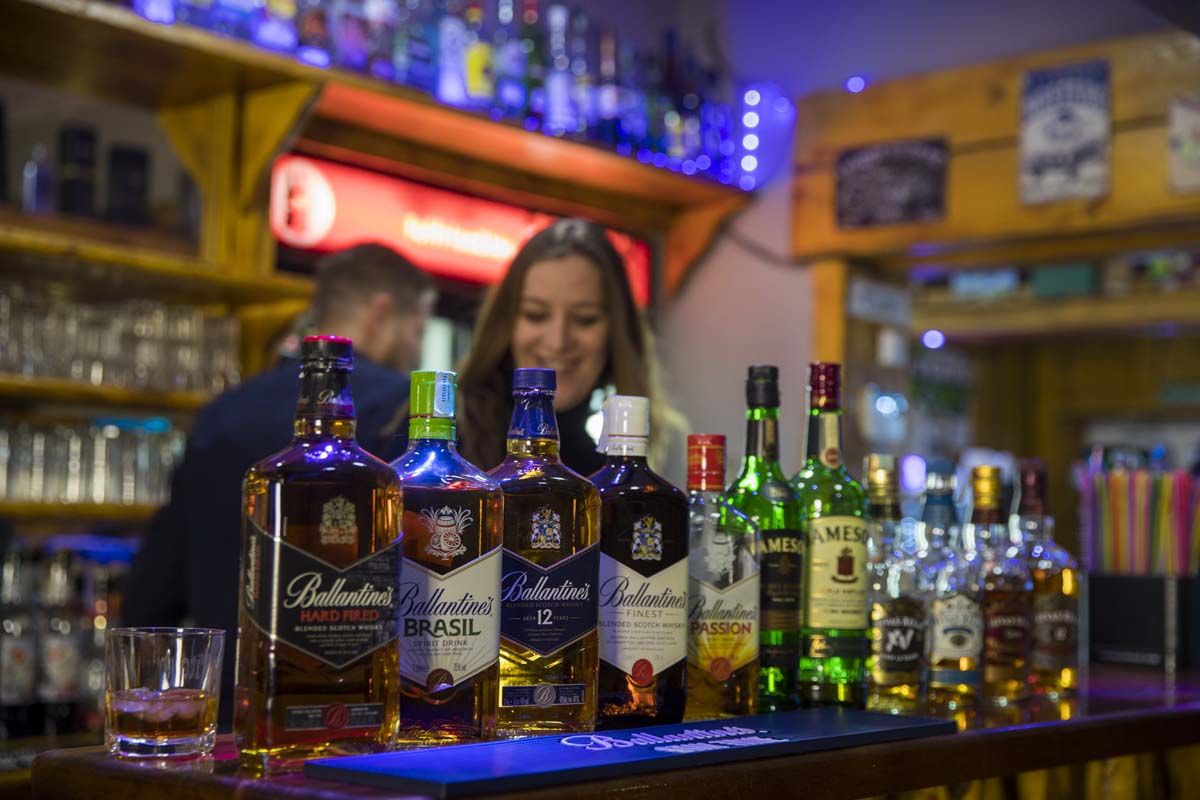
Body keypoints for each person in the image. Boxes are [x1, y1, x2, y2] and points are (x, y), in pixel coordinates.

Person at [123, 244, 434, 724]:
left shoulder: (222, 412)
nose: (415, 347)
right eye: (418, 330)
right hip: (347, 712)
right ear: (381, 313)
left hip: (231, 712)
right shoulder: (401, 409)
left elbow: (156, 584)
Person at [457, 218, 683, 475]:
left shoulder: (622, 466)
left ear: (618, 333)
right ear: (505, 323)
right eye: (535, 315)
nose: (558, 341)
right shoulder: (444, 436)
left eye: (584, 319)